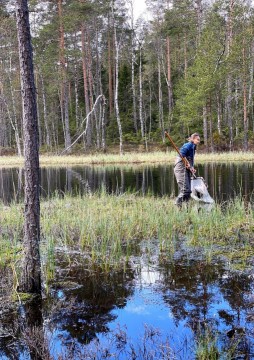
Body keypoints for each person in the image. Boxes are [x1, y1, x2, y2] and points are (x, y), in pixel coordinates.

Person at [174, 133, 200, 206]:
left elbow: (190, 159)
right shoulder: (188, 145)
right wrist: (186, 163)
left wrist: (191, 168)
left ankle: (186, 207)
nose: (199, 141)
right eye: (197, 139)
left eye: (199, 140)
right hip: (180, 168)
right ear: (193, 139)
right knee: (185, 190)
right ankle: (177, 204)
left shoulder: (193, 147)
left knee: (188, 192)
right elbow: (181, 155)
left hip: (186, 169)